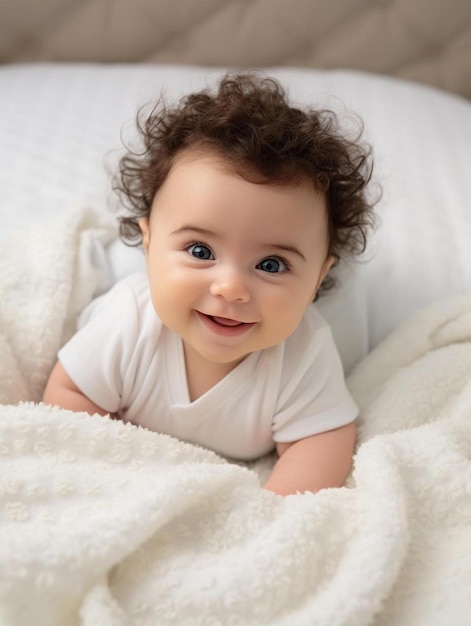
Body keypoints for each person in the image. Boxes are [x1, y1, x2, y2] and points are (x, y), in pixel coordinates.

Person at [43, 73, 376, 496]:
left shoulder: (305, 351)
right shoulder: (126, 318)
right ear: (148, 246)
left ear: (317, 279)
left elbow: (322, 440)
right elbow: (71, 393)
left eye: (272, 264)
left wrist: (269, 512)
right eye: (200, 252)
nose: (230, 287)